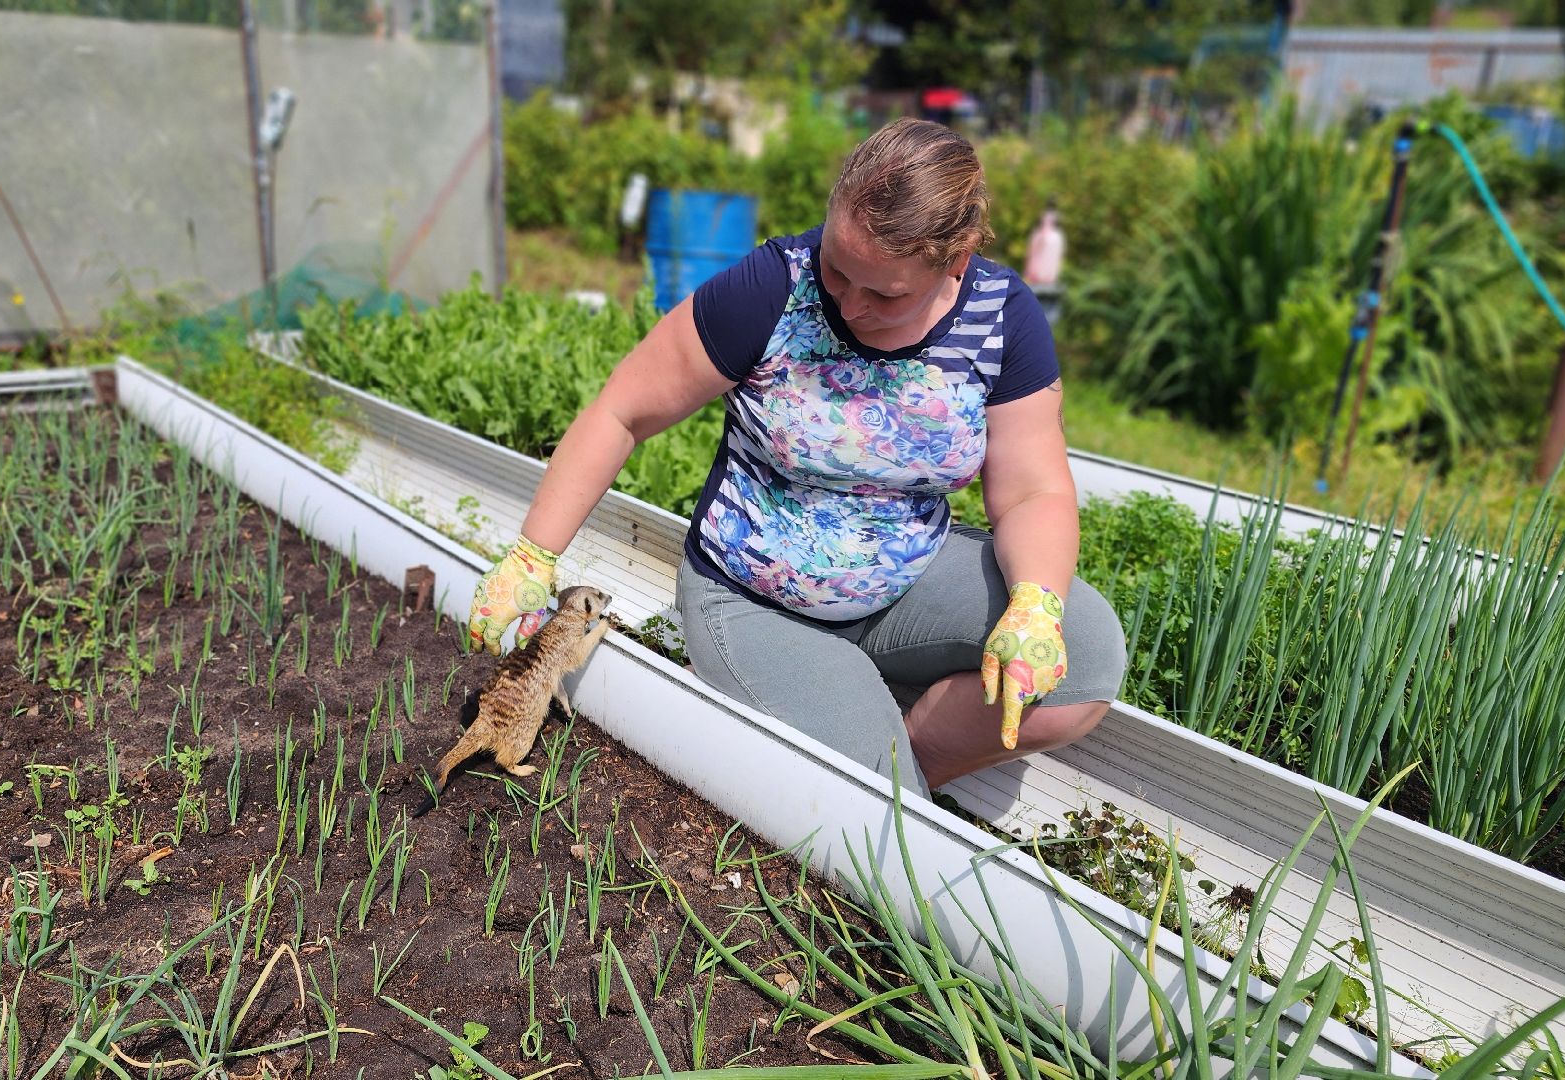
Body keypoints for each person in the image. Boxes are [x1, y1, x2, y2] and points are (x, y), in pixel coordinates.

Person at [468, 118, 1127, 795]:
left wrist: (1035, 606)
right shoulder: (774, 288)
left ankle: (908, 767)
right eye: (839, 271)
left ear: (954, 262)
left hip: (904, 581)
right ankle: (879, 772)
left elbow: (1032, 492)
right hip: (755, 597)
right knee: (880, 795)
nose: (848, 302)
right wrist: (533, 556)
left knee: (1087, 657)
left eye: (884, 294)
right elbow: (622, 412)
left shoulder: (1001, 318)